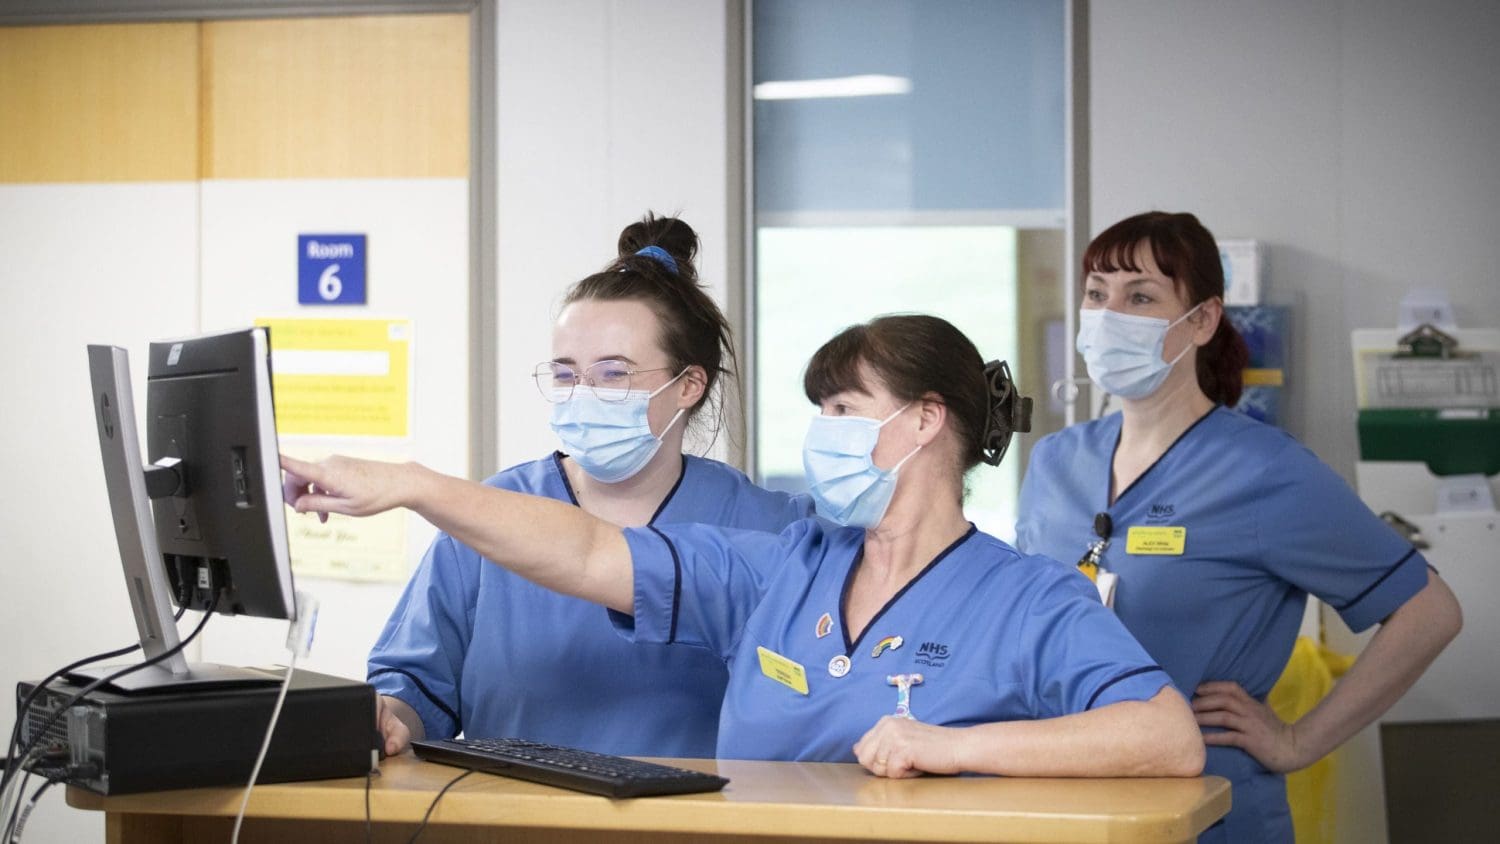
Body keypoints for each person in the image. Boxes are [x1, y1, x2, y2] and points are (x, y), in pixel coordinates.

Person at [285, 314, 1206, 779]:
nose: (823, 432)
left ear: (927, 422)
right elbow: (587, 553)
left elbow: (1165, 736)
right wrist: (413, 484)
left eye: (844, 410)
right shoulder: (782, 564)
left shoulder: (1027, 597)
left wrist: (957, 748)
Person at [1015, 211, 1463, 840]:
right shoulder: (1056, 461)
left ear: (1201, 320)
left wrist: (1299, 741)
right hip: (1066, 804)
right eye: (1097, 294)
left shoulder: (1264, 471)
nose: (1108, 315)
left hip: (1207, 814)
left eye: (1140, 296)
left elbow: (1430, 612)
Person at [363, 214, 814, 759]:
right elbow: (414, 687)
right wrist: (391, 717)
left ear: (689, 385)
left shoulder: (767, 526)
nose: (582, 394)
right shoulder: (490, 518)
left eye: (613, 373)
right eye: (564, 373)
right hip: (508, 817)